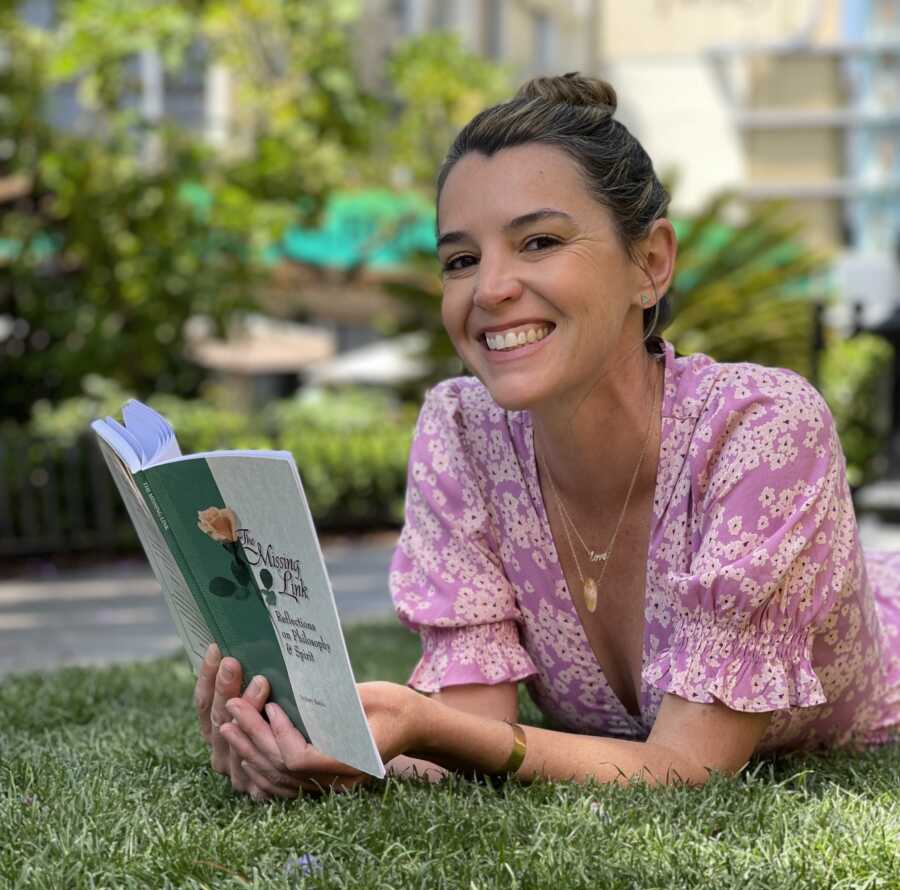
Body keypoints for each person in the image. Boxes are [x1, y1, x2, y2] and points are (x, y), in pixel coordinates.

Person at [194, 72, 900, 798]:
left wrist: (421, 721)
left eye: (538, 241)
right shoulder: (462, 430)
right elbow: (467, 736)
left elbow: (693, 767)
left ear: (650, 263)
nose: (491, 288)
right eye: (461, 260)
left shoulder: (762, 428)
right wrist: (311, 750)